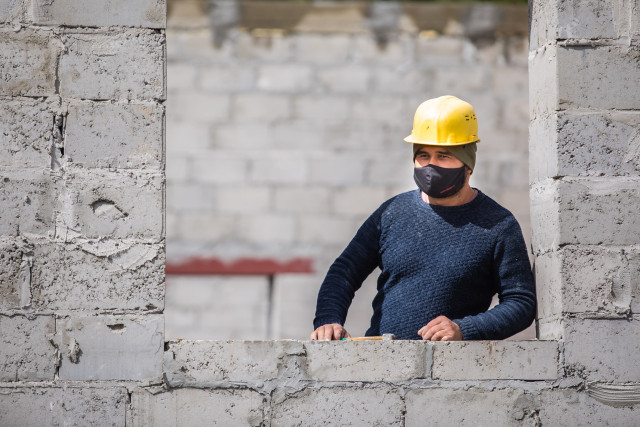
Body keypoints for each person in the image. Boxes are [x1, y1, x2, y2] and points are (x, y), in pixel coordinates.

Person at [310, 95, 536, 341]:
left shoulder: (498, 225)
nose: (431, 166)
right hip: (379, 366)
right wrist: (328, 319)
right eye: (423, 156)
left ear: (468, 164)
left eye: (443, 156)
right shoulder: (392, 212)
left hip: (455, 373)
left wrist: (464, 329)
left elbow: (520, 303)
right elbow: (344, 271)